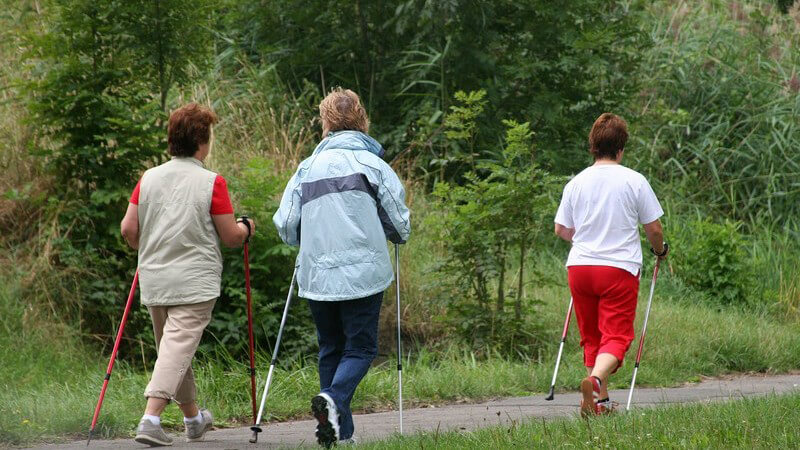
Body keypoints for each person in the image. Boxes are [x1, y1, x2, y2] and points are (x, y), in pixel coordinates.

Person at [273, 88, 410, 447]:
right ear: (362, 119)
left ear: (326, 122)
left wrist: (307, 236)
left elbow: (286, 226)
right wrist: (394, 233)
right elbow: (399, 223)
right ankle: (333, 400)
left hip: (318, 275)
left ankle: (339, 435)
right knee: (361, 349)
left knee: (330, 348)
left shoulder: (306, 169)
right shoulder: (374, 166)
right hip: (364, 275)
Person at [120, 103, 255, 446]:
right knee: (176, 349)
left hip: (155, 278)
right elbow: (230, 237)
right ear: (202, 141)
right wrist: (247, 228)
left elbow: (128, 229)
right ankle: (151, 419)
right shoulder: (212, 182)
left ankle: (193, 419)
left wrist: (144, 247)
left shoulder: (148, 178)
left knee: (173, 350)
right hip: (195, 282)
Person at [553, 112, 668, 417]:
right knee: (617, 337)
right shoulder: (634, 180)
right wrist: (660, 251)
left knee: (593, 338)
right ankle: (594, 381)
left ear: (592, 145)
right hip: (618, 269)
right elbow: (654, 229)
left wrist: (586, 237)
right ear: (621, 148)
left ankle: (599, 404)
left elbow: (561, 229)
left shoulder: (576, 182)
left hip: (580, 268)